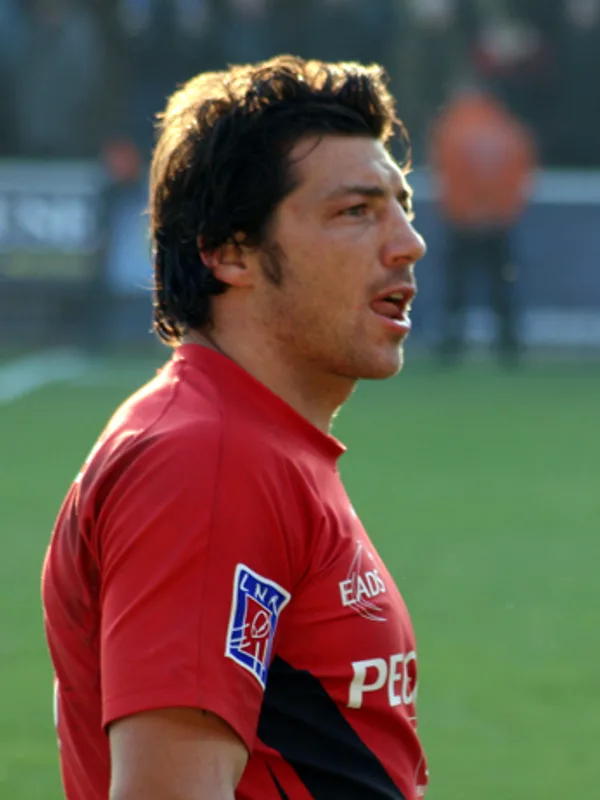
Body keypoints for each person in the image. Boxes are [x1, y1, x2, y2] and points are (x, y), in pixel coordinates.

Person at [42, 56, 428, 800]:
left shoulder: (253, 443)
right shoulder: (206, 461)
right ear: (228, 252)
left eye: (401, 205)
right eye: (356, 211)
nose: (408, 241)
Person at [429, 78, 536, 364]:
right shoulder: (508, 128)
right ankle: (509, 346)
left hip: (461, 222)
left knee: (456, 289)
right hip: (499, 223)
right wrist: (501, 210)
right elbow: (522, 172)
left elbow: (444, 173)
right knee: (503, 288)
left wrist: (462, 210)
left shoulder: (451, 128)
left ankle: (451, 345)